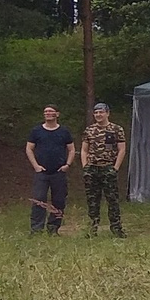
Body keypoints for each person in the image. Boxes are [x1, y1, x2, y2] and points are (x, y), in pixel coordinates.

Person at [25, 104, 75, 235]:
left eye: (50, 111)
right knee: (39, 200)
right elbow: (29, 148)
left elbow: (71, 149)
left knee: (59, 201)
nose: (47, 113)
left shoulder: (64, 131)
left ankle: (53, 229)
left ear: (57, 114)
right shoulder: (36, 131)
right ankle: (36, 230)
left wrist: (67, 165)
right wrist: (36, 166)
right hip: (41, 173)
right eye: (45, 111)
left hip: (59, 172)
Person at [79, 102, 127, 238]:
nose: (98, 115)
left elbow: (122, 149)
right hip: (92, 169)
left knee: (112, 200)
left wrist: (115, 168)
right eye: (96, 113)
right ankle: (92, 228)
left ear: (107, 113)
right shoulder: (89, 130)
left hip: (108, 168)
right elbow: (84, 150)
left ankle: (116, 228)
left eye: (101, 112)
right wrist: (85, 167)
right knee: (92, 200)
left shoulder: (116, 129)